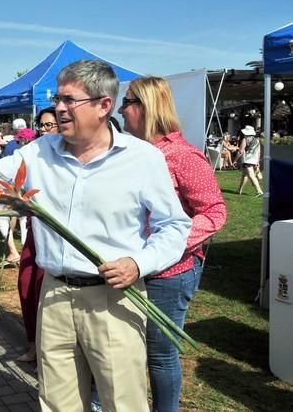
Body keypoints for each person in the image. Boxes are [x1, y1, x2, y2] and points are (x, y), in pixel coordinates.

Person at [0, 59, 191, 411]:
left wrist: (139, 263)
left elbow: (175, 226)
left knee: (123, 400)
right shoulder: (39, 153)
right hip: (55, 294)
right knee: (58, 401)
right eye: (57, 98)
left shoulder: (142, 158)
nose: (58, 108)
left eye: (69, 100)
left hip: (113, 298)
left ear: (104, 105)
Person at [119, 76, 227, 412]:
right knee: (128, 349)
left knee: (161, 355)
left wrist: (166, 246)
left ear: (146, 106)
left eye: (127, 102)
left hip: (169, 272)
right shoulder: (131, 153)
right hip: (130, 270)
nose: (121, 110)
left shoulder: (180, 156)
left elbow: (214, 212)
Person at [15, 107, 59, 363]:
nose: (45, 130)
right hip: (35, 230)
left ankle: (47, 353)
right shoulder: (33, 154)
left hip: (56, 235)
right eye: (42, 125)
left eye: (50, 125)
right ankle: (32, 346)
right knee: (26, 286)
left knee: (44, 291)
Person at [237, 125, 264, 196]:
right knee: (245, 175)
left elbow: (240, 151)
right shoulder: (257, 140)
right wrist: (257, 162)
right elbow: (259, 152)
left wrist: (235, 160)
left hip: (248, 159)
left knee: (251, 176)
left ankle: (259, 191)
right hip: (254, 159)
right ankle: (239, 190)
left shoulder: (245, 139)